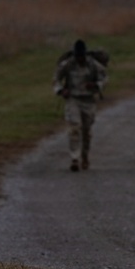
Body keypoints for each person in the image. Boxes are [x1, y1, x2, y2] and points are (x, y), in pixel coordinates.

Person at [53, 39, 107, 172]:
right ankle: (74, 158)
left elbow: (104, 78)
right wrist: (61, 90)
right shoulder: (68, 64)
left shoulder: (93, 64)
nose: (80, 59)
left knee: (86, 132)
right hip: (73, 99)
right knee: (74, 128)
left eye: (81, 56)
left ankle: (85, 156)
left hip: (89, 100)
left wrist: (95, 85)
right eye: (78, 56)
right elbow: (56, 79)